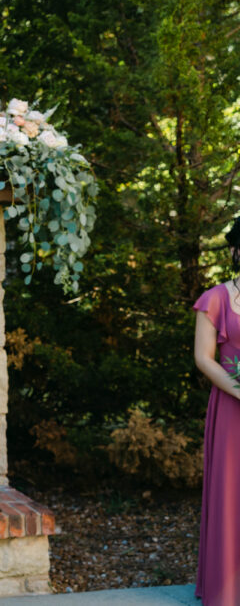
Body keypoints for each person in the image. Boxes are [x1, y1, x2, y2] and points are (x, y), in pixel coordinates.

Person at [193, 216, 240, 605]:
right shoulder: (216, 299)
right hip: (232, 409)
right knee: (231, 493)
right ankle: (227, 590)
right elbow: (204, 359)